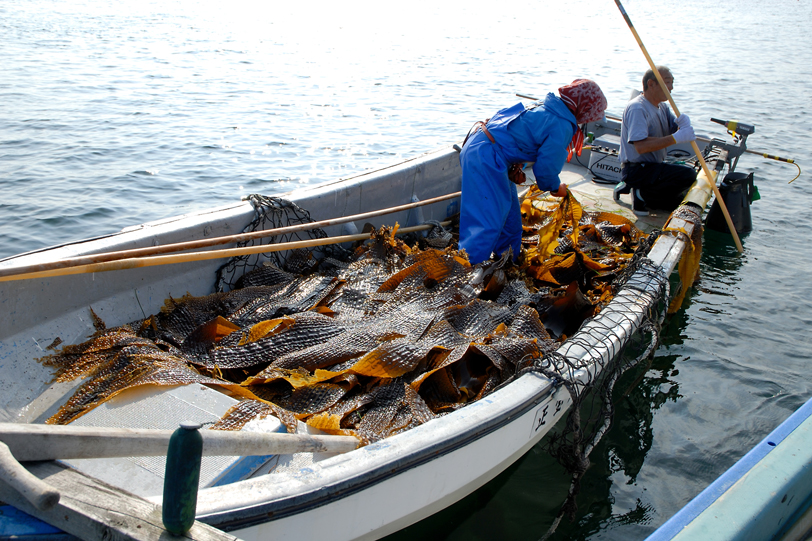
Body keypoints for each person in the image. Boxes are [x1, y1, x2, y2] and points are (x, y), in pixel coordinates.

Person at [458, 79, 608, 265]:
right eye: (592, 114)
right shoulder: (561, 124)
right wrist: (556, 188)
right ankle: (465, 273)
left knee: (510, 220)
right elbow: (545, 171)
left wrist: (517, 162)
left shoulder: (550, 107)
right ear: (583, 108)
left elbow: (520, 132)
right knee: (487, 222)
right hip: (486, 157)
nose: (591, 119)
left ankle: (506, 262)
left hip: (488, 149)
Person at [616, 66, 697, 215]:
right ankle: (642, 194)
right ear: (651, 84)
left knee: (678, 199)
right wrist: (676, 138)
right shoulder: (637, 108)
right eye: (667, 82)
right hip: (637, 169)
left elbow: (674, 129)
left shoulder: (663, 107)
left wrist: (682, 125)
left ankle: (650, 194)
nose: (671, 88)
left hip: (654, 166)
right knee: (688, 175)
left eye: (672, 83)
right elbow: (640, 146)